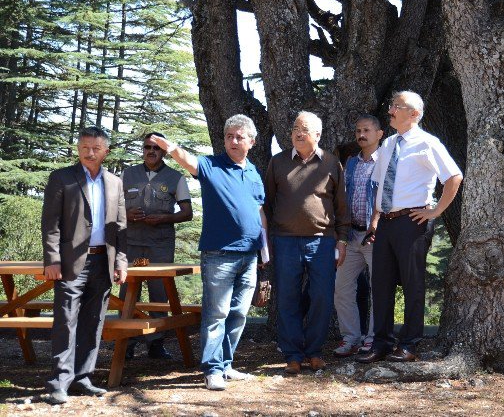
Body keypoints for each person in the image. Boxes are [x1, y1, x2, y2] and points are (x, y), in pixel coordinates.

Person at [150, 114, 266, 391]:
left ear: (251, 141)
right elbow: (188, 160)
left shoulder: (254, 172)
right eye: (229, 136)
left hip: (250, 255)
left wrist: (265, 253)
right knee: (217, 314)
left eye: (239, 136)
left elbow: (260, 212)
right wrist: (172, 148)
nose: (234, 141)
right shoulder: (211, 165)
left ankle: (226, 364)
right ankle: (212, 369)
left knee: (238, 313)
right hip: (219, 254)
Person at [356, 91, 463, 364]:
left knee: (413, 285)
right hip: (386, 224)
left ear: (414, 114)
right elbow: (380, 187)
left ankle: (410, 344)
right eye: (391, 105)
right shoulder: (388, 144)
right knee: (380, 285)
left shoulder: (428, 143)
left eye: (397, 107)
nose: (390, 110)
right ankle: (381, 344)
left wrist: (435, 211)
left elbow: (453, 177)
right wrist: (375, 223)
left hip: (412, 223)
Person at [42, 127, 127, 404]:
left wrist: (121, 262)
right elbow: (51, 224)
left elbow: (121, 228)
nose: (89, 153)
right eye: (84, 147)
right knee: (65, 320)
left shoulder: (115, 182)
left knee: (94, 320)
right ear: (78, 149)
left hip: (104, 260)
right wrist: (52, 260)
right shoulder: (62, 178)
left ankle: (82, 377)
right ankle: (59, 382)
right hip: (69, 263)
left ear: (106, 151)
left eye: (95, 148)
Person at [264, 111, 350, 375]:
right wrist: (266, 242)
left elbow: (341, 207)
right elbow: (267, 204)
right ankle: (292, 355)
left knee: (321, 298)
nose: (299, 133)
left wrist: (343, 240)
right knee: (288, 299)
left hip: (322, 242)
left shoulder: (332, 163)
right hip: (285, 241)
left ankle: (313, 352)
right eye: (295, 129)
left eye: (305, 129)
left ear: (318, 135)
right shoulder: (277, 163)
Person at [120, 132, 193, 360]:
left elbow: (187, 213)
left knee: (158, 294)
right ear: (142, 150)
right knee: (126, 292)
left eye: (156, 148)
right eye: (147, 147)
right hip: (131, 243)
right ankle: (126, 342)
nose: (151, 151)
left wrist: (163, 218)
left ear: (163, 151)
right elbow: (110, 207)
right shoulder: (127, 174)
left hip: (159, 246)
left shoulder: (176, 177)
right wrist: (126, 214)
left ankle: (156, 344)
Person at [333, 114, 383, 357]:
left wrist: (377, 221)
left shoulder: (386, 161)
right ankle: (351, 337)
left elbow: (388, 196)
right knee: (341, 288)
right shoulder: (351, 162)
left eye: (367, 130)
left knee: (378, 290)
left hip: (375, 237)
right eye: (358, 131)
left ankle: (373, 339)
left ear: (379, 134)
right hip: (351, 235)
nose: (361, 135)